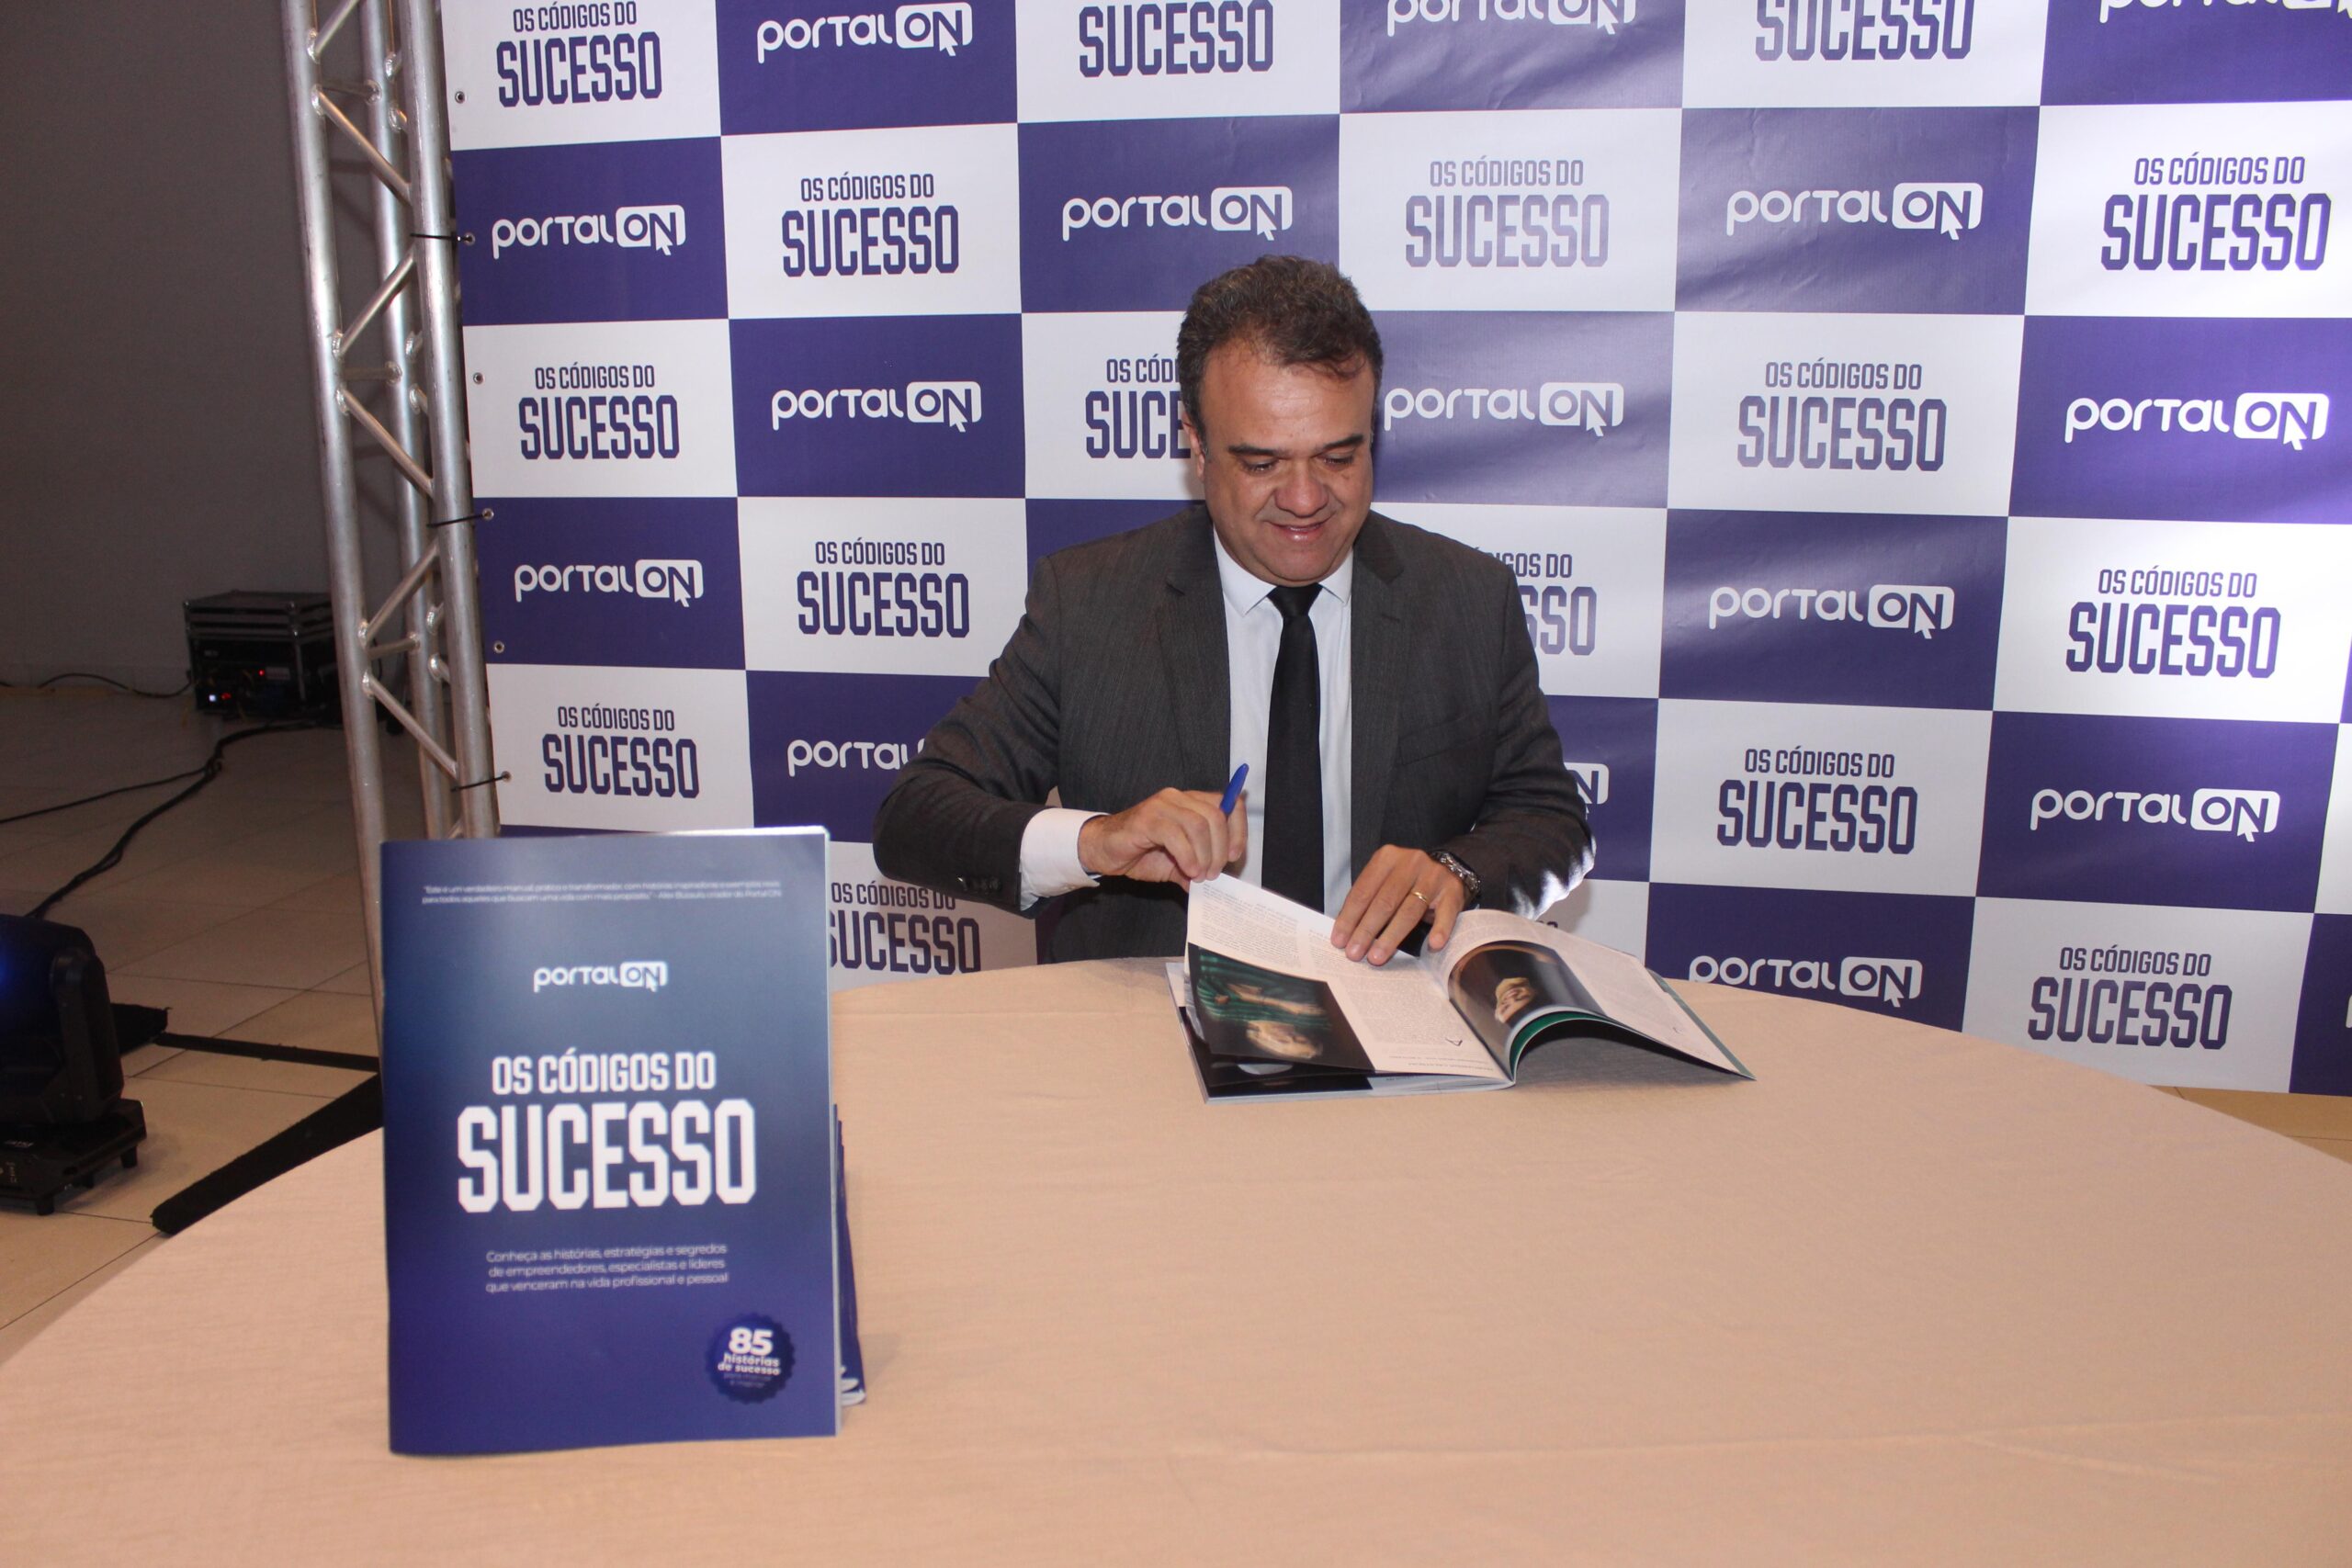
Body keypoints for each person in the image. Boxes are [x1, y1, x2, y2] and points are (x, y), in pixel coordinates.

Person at [873, 256, 1590, 964]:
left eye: (1339, 458)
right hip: (1149, 1028)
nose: (1305, 499)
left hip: (1393, 1024)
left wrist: (1455, 872)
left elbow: (1551, 819)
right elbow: (915, 815)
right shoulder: (1088, 601)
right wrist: (1096, 841)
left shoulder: (1468, 598)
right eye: (1262, 463)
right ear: (1196, 442)